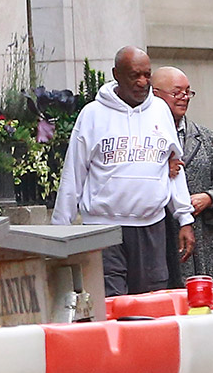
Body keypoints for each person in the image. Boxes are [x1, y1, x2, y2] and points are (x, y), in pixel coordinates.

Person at [51, 47, 195, 296]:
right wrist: (59, 231)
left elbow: (174, 167)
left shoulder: (160, 111)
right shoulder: (92, 115)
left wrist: (185, 218)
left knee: (150, 305)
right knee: (112, 303)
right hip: (103, 229)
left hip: (151, 227)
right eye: (134, 76)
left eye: (147, 75)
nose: (142, 82)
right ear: (116, 75)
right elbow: (73, 175)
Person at [152, 66, 213, 287]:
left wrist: (210, 198)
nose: (184, 98)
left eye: (188, 92)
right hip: (158, 239)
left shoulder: (206, 139)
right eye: (177, 93)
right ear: (155, 94)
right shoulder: (143, 139)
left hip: (202, 246)